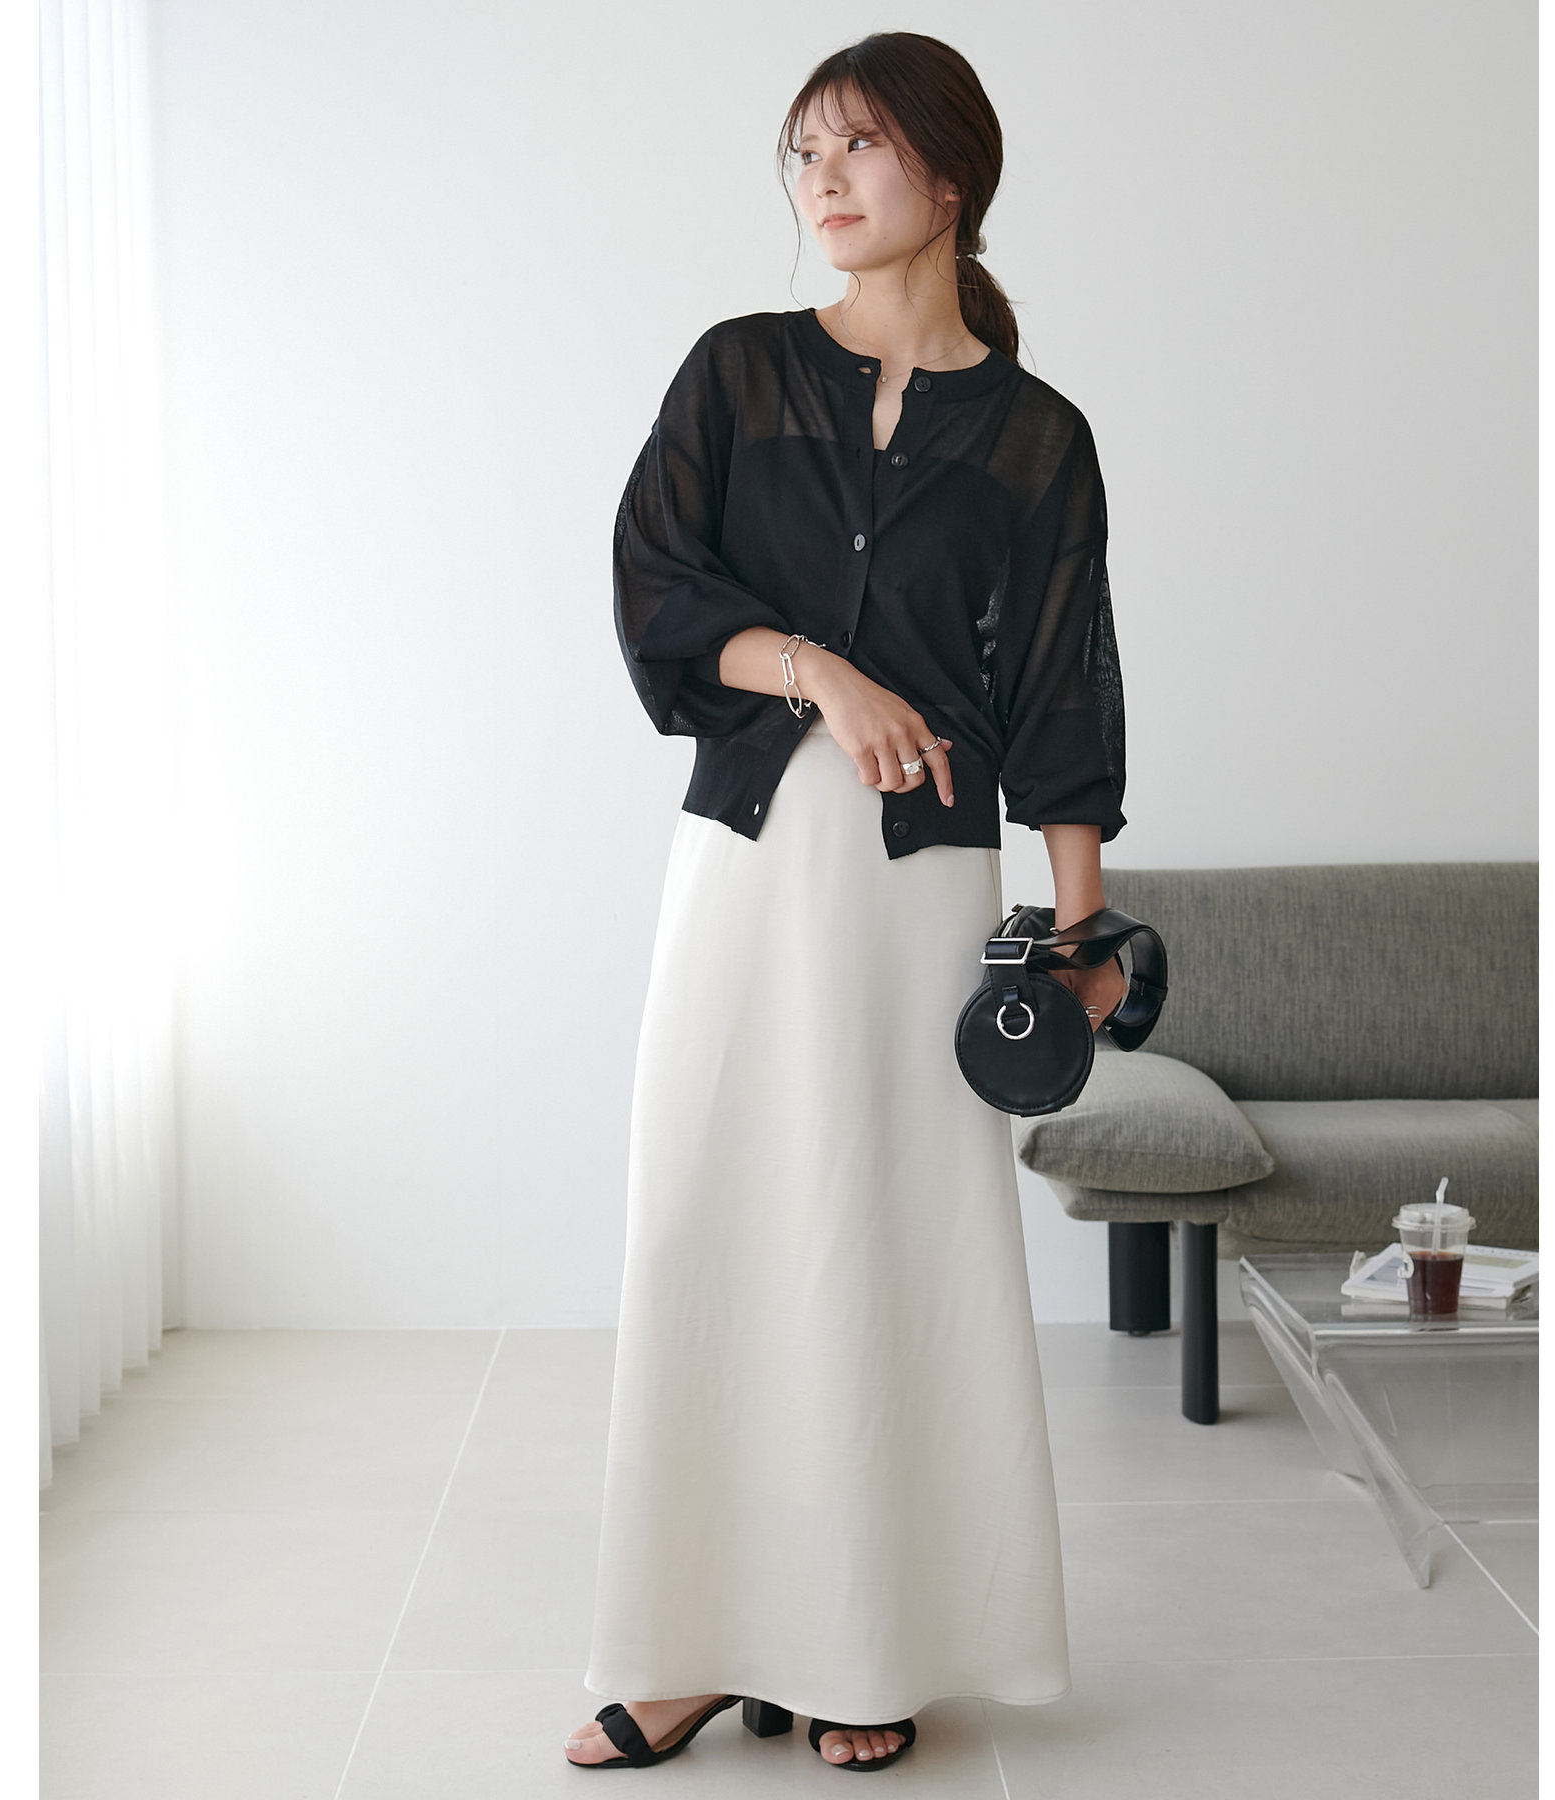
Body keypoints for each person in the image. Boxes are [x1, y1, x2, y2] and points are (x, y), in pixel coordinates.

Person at [565, 30, 1128, 1775]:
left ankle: (861, 1647)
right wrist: (818, 668)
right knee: (708, 1227)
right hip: (745, 870)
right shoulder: (738, 373)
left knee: (882, 1250)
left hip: (919, 898)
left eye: (858, 147)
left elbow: (1065, 697)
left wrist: (1082, 930)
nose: (822, 179)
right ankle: (682, 1647)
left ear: (948, 178)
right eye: (804, 151)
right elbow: (655, 588)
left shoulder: (1037, 440)